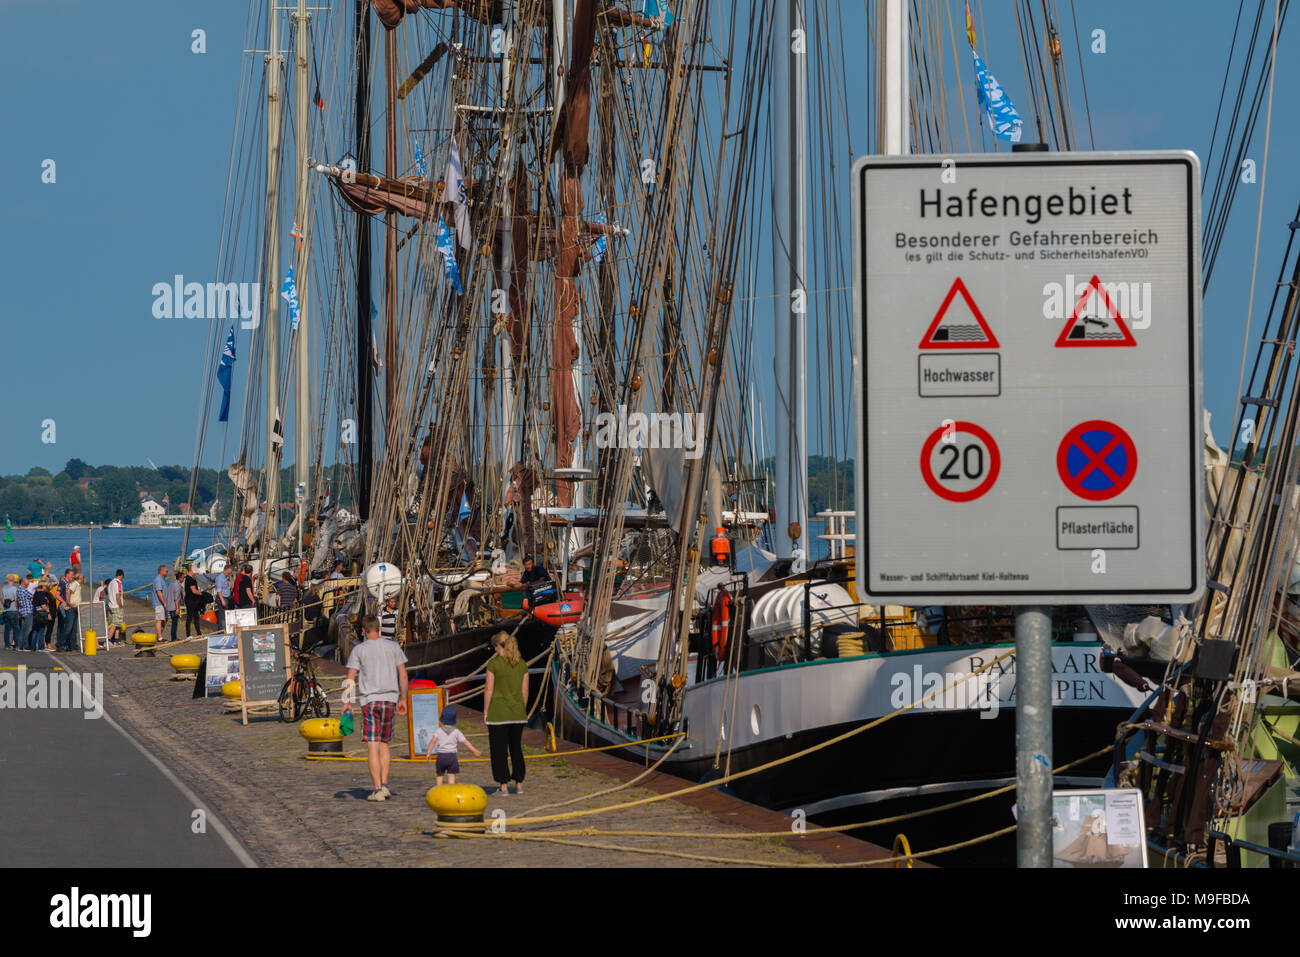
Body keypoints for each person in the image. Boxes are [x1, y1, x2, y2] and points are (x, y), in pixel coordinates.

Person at [343, 614, 408, 802]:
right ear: (379, 628)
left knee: (372, 744)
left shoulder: (359, 650)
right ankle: (385, 784)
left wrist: (346, 702)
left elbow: (350, 677)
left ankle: (377, 788)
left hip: (369, 700)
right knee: (384, 743)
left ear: (363, 630)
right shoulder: (394, 647)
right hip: (390, 699)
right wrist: (403, 698)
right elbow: (403, 675)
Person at [483, 631, 529, 796]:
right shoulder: (522, 664)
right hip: (517, 713)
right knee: (516, 748)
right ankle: (519, 783)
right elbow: (525, 691)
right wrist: (520, 709)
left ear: (498, 646)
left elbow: (489, 689)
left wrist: (486, 711)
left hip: (498, 713)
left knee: (499, 750)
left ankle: (503, 786)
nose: (494, 650)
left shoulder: (493, 664)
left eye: (494, 646)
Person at [424, 705, 480, 785]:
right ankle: (451, 789)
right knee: (451, 775)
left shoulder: (439, 731)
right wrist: (474, 750)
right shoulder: (457, 731)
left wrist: (428, 753)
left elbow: (433, 741)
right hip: (452, 757)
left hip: (441, 756)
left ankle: (439, 790)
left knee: (439, 775)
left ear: (442, 718)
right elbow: (465, 742)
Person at [56, 568, 80, 652]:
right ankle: (60, 645)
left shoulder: (70, 583)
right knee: (67, 627)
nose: (72, 576)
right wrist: (65, 602)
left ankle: (73, 646)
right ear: (67, 575)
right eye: (71, 575)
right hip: (66, 607)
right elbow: (57, 595)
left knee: (73, 628)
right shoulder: (63, 583)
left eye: (73, 575)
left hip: (73, 607)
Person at [274, 570, 300, 640]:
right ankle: (292, 640)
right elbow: (295, 599)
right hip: (291, 608)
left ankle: (285, 640)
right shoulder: (293, 587)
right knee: (291, 625)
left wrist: (277, 605)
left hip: (283, 608)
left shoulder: (280, 586)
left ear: (283, 578)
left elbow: (277, 598)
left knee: (284, 625)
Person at [183, 566, 206, 637]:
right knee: (189, 617)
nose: (195, 574)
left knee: (196, 617)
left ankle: (199, 633)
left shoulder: (191, 578)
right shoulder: (190, 579)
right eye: (195, 573)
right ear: (192, 572)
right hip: (191, 601)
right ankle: (188, 635)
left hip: (194, 601)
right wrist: (202, 594)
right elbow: (194, 591)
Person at [15, 575, 35, 652]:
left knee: (23, 629)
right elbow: (32, 597)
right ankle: (25, 646)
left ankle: (19, 646)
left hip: (22, 611)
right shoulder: (24, 590)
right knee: (28, 629)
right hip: (28, 611)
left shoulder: (18, 590)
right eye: (27, 581)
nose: (28, 582)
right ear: (23, 583)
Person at [106, 570, 125, 645]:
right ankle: (109, 639)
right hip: (116, 605)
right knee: (115, 623)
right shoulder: (118, 583)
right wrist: (120, 606)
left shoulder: (111, 582)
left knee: (118, 623)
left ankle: (116, 639)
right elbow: (118, 596)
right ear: (121, 575)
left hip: (111, 604)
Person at [151, 564, 169, 642]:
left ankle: (159, 635)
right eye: (166, 571)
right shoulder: (158, 579)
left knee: (165, 619)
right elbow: (159, 592)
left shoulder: (162, 579)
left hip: (162, 603)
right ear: (161, 571)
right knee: (159, 619)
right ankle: (160, 637)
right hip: (159, 603)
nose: (167, 572)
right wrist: (164, 602)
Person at [2, 574, 20, 650]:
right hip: (13, 610)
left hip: (6, 610)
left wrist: (4, 605)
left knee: (7, 629)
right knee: (16, 628)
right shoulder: (14, 588)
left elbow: (1, 599)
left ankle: (6, 645)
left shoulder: (3, 588)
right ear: (13, 581)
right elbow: (16, 599)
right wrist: (17, 608)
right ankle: (16, 645)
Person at [167, 570, 185, 642]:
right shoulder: (178, 586)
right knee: (174, 623)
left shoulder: (172, 583)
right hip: (174, 607)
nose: (183, 579)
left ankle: (174, 637)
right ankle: (174, 638)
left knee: (174, 623)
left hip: (170, 605)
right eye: (183, 578)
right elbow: (176, 599)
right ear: (179, 578)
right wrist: (178, 609)